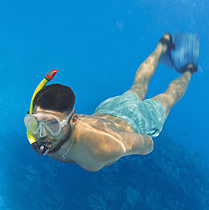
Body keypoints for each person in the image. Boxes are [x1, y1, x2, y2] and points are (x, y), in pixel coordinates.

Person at [24, 33, 197, 172]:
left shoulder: (102, 148)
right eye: (36, 122)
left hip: (138, 119)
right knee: (138, 87)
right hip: (108, 109)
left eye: (52, 124)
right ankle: (162, 45)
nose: (41, 133)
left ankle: (188, 68)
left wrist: (143, 147)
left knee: (168, 98)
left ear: (74, 119)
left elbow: (148, 143)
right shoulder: (44, 133)